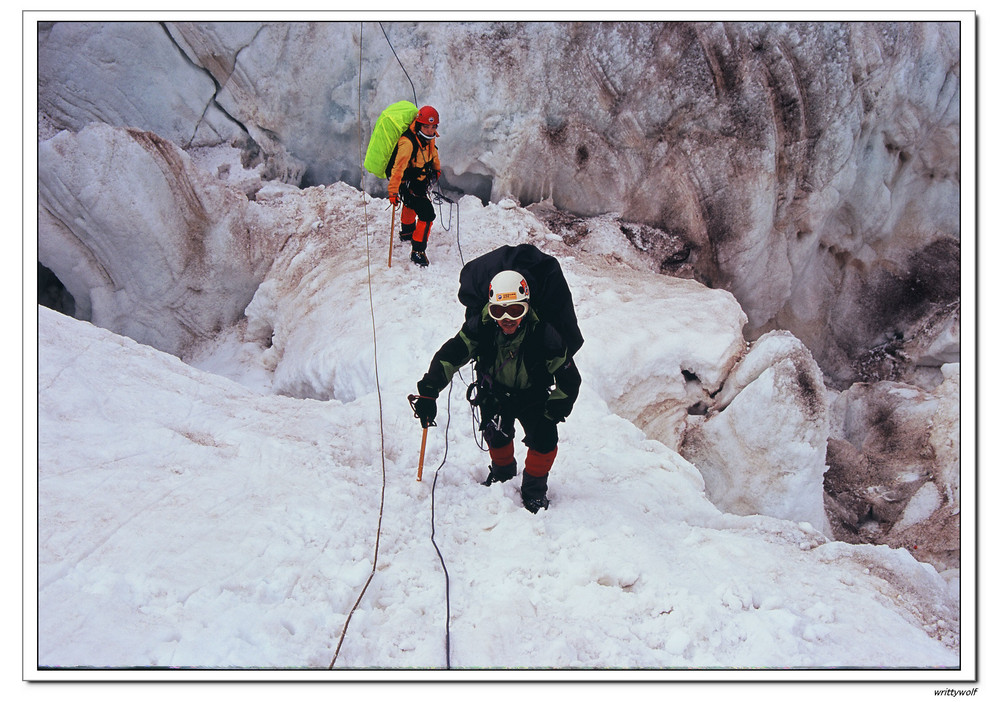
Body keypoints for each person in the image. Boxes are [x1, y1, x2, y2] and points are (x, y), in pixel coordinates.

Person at [412, 270, 582, 513]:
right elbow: (450, 355)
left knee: (545, 441)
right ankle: (503, 474)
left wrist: (553, 412)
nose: (507, 319)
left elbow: (569, 379)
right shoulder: (481, 328)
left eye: (515, 310)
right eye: (498, 312)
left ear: (526, 308)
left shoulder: (544, 334)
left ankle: (534, 491)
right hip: (495, 393)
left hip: (533, 396)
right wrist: (429, 390)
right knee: (496, 436)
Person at [387, 105, 442, 267]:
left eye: (433, 126)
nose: (430, 130)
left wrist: (436, 170)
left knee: (411, 204)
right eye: (426, 126)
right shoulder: (408, 143)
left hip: (419, 182)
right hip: (408, 183)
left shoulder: (429, 138)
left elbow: (433, 154)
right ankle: (417, 251)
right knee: (427, 215)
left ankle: (407, 232)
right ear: (419, 125)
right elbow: (398, 169)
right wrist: (393, 192)